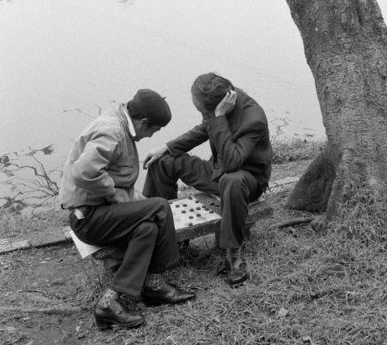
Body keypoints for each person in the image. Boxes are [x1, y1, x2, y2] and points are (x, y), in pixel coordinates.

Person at [59, 89, 196, 331]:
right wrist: (114, 195)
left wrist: (129, 201)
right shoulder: (112, 130)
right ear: (143, 122)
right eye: (154, 130)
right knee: (160, 206)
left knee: (148, 227)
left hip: (102, 214)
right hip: (89, 219)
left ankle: (109, 304)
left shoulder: (121, 125)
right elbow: (85, 172)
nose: (153, 134)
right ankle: (159, 280)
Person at [143, 73, 272, 287]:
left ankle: (233, 255)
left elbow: (232, 163)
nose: (203, 116)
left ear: (219, 106)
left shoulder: (253, 119)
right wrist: (165, 148)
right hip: (218, 170)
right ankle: (165, 234)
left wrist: (218, 118)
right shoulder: (219, 108)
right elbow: (204, 129)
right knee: (162, 162)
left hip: (247, 180)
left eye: (204, 112)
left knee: (232, 180)